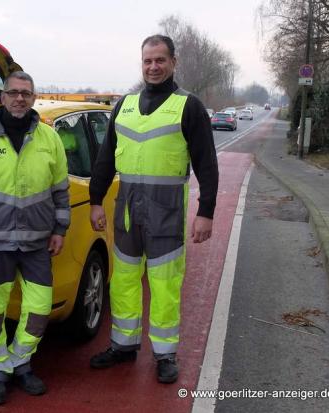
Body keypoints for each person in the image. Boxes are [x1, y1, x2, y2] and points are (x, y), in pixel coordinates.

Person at [88, 35, 219, 384]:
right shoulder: (124, 105)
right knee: (124, 282)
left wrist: (206, 211)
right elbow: (104, 159)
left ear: (173, 62)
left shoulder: (188, 106)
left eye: (160, 60)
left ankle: (164, 354)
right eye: (147, 61)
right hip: (128, 212)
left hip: (167, 214)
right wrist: (95, 200)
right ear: (141, 63)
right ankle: (123, 346)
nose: (153, 66)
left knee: (164, 285)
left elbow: (207, 163)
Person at [0, 71, 70, 405]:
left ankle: (20, 361)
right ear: (2, 97)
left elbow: (61, 191)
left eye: (26, 93)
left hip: (37, 243)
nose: (20, 98)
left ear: (34, 98)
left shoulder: (50, 139)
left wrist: (60, 230)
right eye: (14, 92)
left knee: (39, 309)